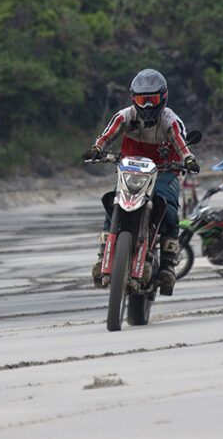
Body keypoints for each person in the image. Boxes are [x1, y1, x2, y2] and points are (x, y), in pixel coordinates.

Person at [83, 68, 199, 293]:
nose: (146, 106)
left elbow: (182, 144)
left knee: (170, 213)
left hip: (165, 171)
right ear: (132, 98)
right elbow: (106, 136)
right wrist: (97, 148)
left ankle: (168, 265)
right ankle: (102, 256)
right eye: (141, 100)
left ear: (163, 97)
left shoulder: (171, 120)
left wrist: (189, 159)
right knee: (112, 205)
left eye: (152, 100)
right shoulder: (124, 116)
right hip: (130, 170)